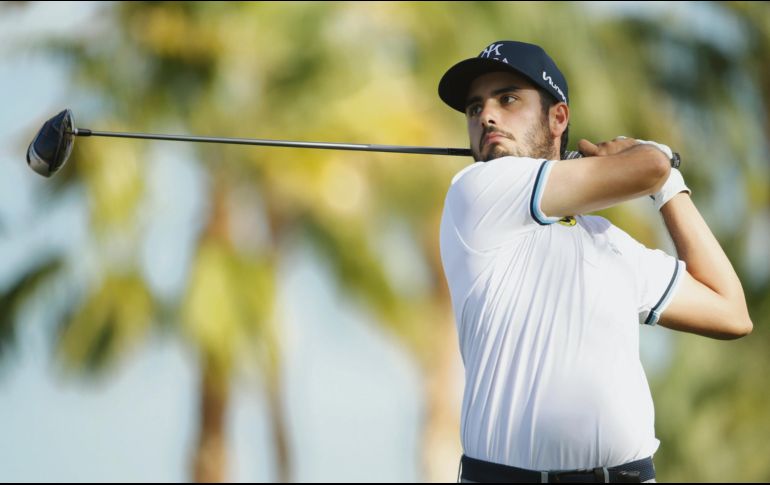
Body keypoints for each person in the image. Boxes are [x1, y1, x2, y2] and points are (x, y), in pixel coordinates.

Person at [437, 40, 753, 483]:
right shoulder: (476, 191)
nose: (486, 116)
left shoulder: (609, 241)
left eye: (507, 99)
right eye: (475, 108)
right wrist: (652, 155)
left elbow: (730, 311)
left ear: (557, 118)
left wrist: (670, 187)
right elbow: (647, 168)